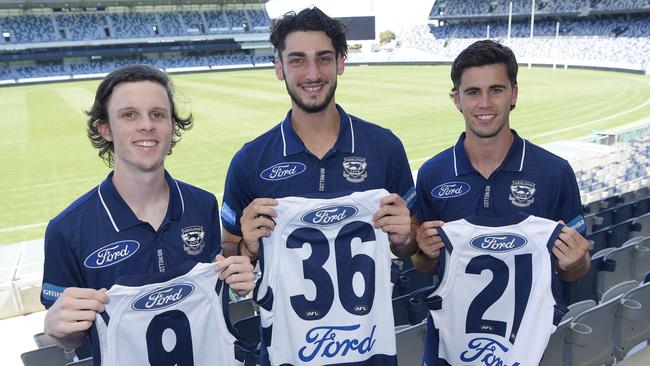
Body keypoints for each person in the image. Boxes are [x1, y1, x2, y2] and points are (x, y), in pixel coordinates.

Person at [219, 7, 417, 365]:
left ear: (341, 62)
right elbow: (228, 256)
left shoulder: (384, 148)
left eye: (323, 58)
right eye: (297, 60)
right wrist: (246, 248)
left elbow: (412, 246)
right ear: (279, 67)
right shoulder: (250, 161)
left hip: (370, 353)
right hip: (288, 353)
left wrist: (406, 236)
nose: (312, 73)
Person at [41, 64, 255, 359]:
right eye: (129, 115)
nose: (147, 125)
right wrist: (58, 330)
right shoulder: (67, 231)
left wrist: (236, 281)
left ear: (172, 126)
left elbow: (210, 300)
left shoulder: (203, 205)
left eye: (158, 114)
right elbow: (73, 340)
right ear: (105, 129)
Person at [413, 40, 591, 364]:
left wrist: (576, 261)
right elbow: (425, 265)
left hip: (528, 352)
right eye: (472, 92)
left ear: (514, 94)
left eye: (496, 90)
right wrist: (423, 253)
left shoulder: (554, 172)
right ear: (457, 99)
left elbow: (577, 269)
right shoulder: (432, 174)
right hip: (450, 352)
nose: (485, 103)